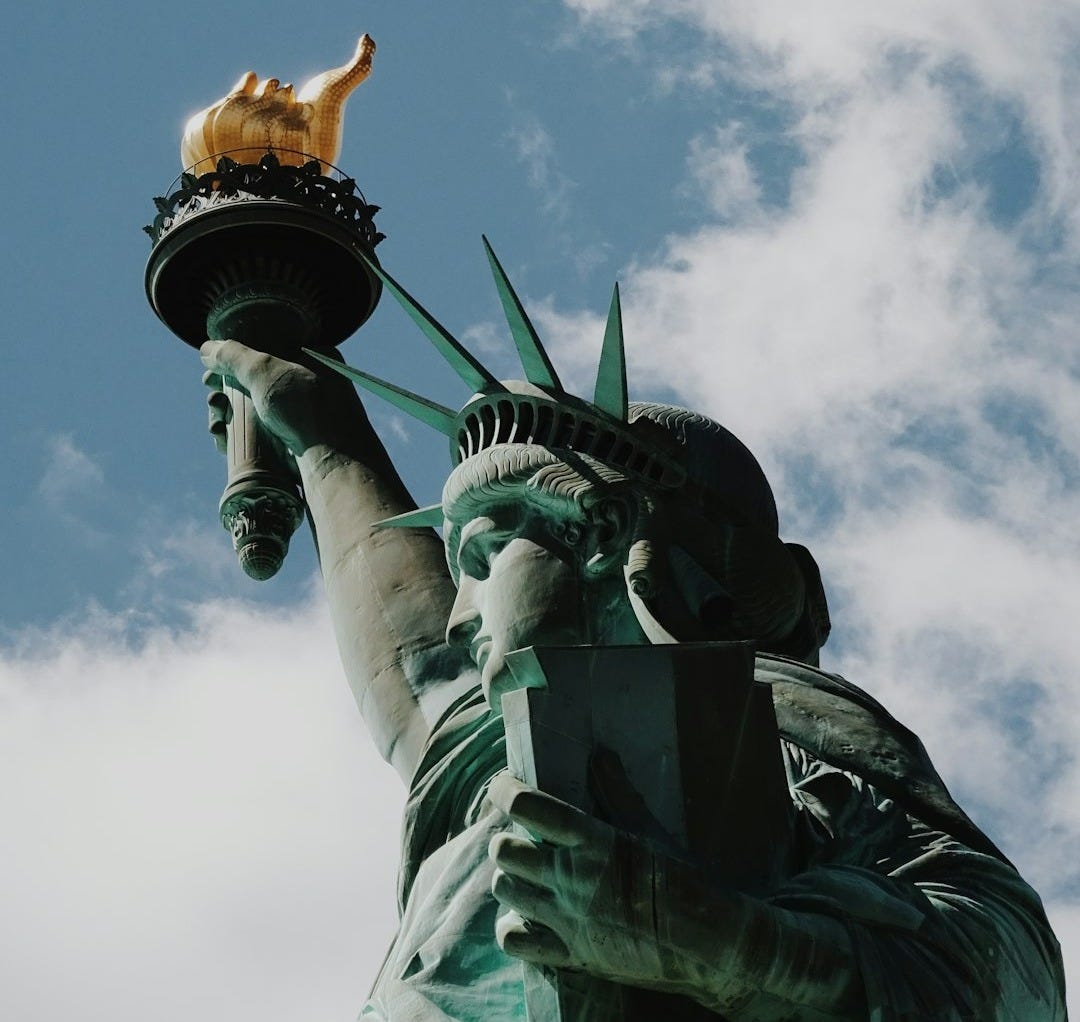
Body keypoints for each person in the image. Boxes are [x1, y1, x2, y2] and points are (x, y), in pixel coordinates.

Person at [200, 247, 1067, 1020]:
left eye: (487, 557)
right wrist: (320, 436)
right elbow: (418, 667)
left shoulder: (792, 744)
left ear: (606, 535)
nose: (462, 617)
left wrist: (708, 939)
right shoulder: (493, 770)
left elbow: (1008, 977)